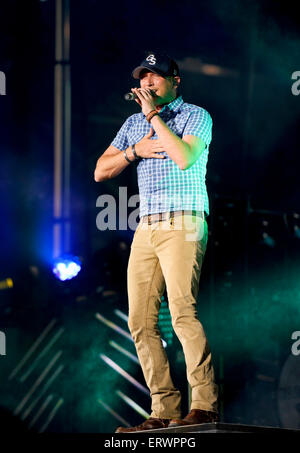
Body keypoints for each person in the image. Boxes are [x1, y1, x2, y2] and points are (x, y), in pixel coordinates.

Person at [94, 51, 219, 432]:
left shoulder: (196, 115)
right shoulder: (133, 124)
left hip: (184, 221)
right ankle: (164, 410)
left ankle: (206, 405)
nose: (147, 84)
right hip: (147, 226)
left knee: (182, 312)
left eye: (155, 78)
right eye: (143, 78)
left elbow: (183, 157)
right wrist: (135, 150)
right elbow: (101, 171)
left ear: (174, 81)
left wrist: (153, 118)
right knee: (139, 321)